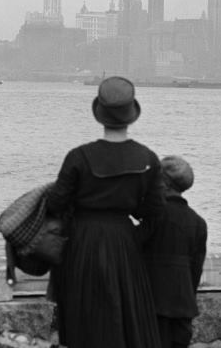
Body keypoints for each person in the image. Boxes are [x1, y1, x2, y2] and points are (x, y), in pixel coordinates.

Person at [46, 76, 164, 348]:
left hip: (82, 241)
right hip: (124, 242)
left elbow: (56, 203)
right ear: (131, 115)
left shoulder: (78, 156)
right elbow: (155, 210)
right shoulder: (147, 158)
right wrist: (132, 235)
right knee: (126, 316)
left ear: (99, 114)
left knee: (82, 316)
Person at [142, 156, 207, 348]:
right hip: (183, 306)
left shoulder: (155, 215)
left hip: (153, 304)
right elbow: (196, 269)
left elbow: (133, 247)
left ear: (163, 183)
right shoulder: (198, 222)